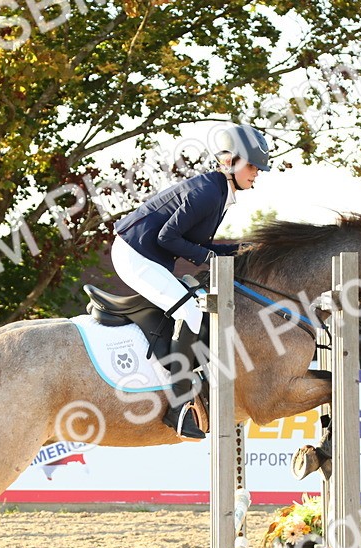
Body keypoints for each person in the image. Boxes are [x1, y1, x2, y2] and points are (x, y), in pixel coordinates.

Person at [111, 123, 271, 439]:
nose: (256, 173)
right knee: (190, 312)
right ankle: (178, 407)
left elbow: (194, 242)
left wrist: (241, 249)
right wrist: (211, 258)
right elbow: (167, 236)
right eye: (252, 166)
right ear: (231, 162)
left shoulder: (218, 191)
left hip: (145, 254)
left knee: (192, 310)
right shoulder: (209, 193)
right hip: (134, 253)